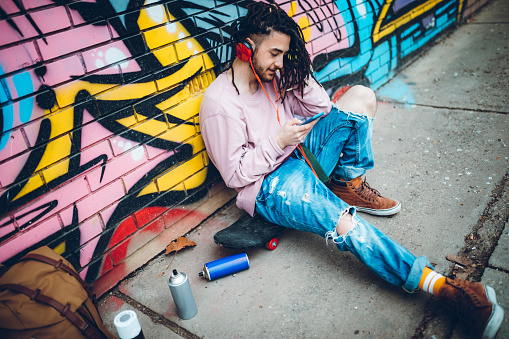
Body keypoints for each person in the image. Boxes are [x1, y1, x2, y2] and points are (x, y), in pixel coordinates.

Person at [199, 3, 504, 338]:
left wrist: (296, 73)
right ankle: (443, 288)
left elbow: (321, 107)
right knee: (344, 224)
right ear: (246, 47)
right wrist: (278, 141)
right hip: (272, 185)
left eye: (284, 55)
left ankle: (346, 183)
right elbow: (235, 176)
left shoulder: (273, 76)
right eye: (275, 53)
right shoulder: (220, 103)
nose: (279, 62)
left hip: (300, 154)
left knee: (360, 98)